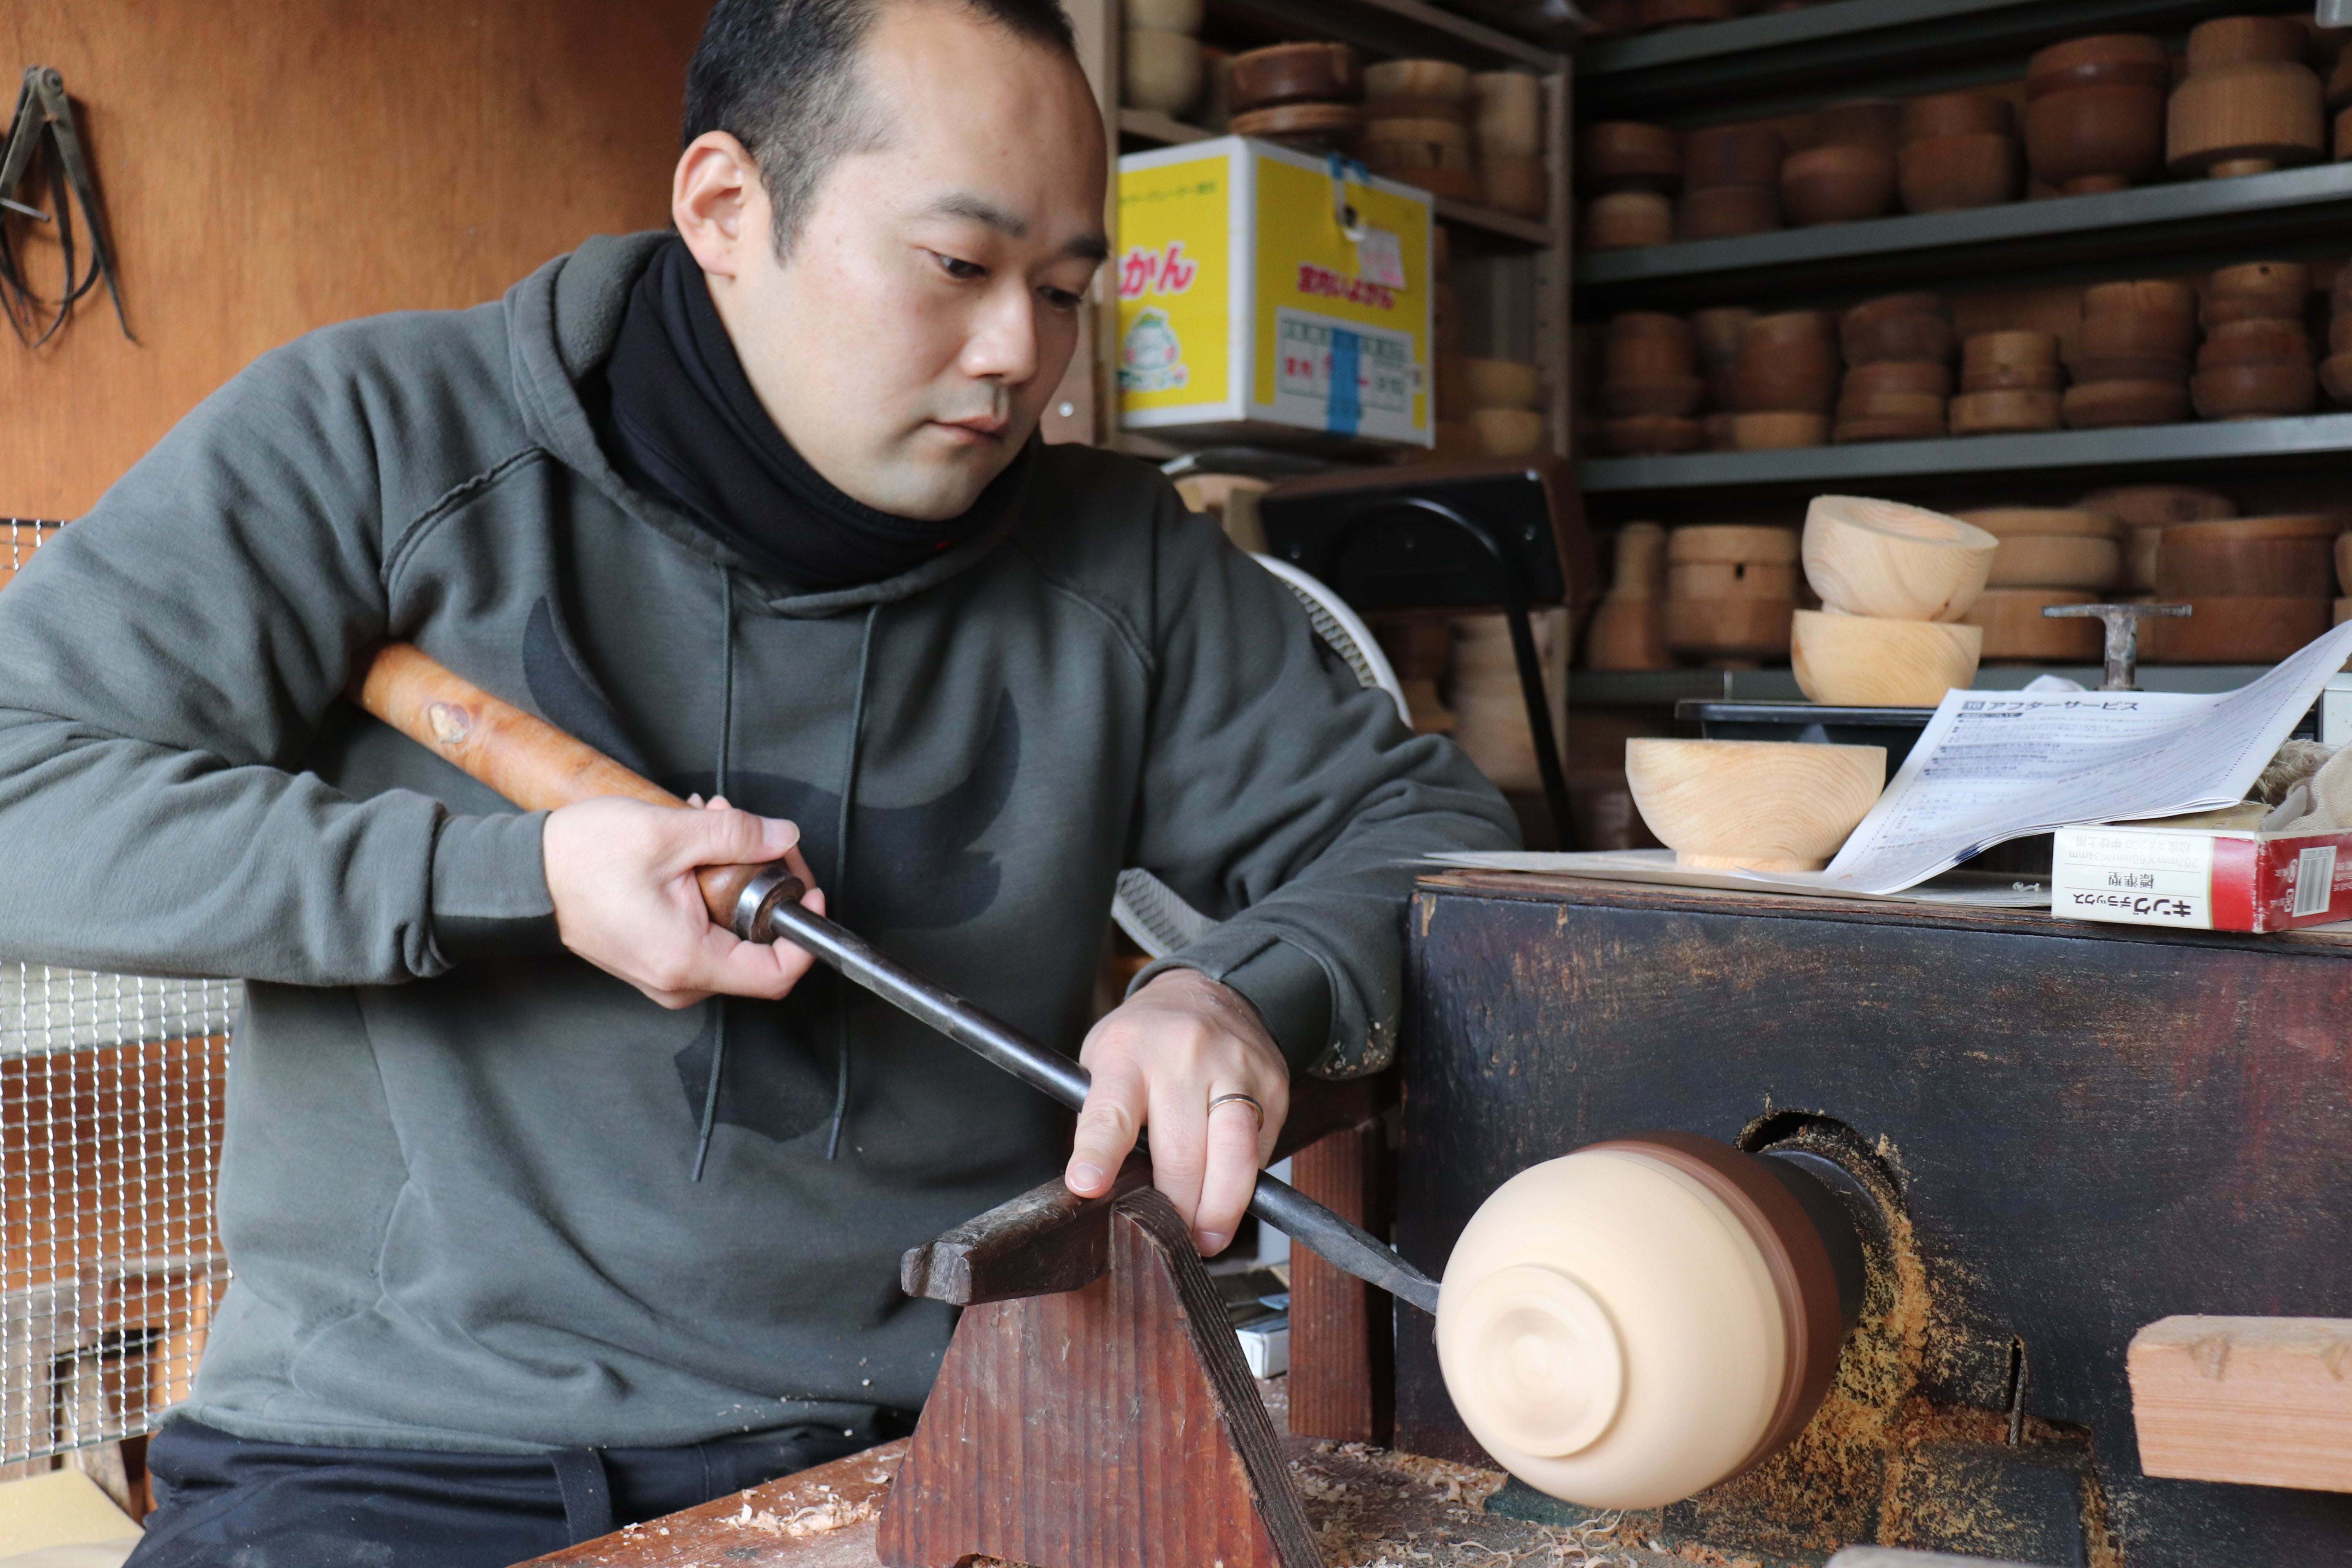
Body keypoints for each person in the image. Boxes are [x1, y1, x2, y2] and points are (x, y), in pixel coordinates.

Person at [0, 0, 1517, 1561]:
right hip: (408, 1457)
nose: (1021, 358)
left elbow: (1435, 840)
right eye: (958, 267)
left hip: (948, 1432)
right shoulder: (380, 442)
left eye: (1066, 290)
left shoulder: (1124, 565)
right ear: (727, 206)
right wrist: (512, 883)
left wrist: (1241, 994)